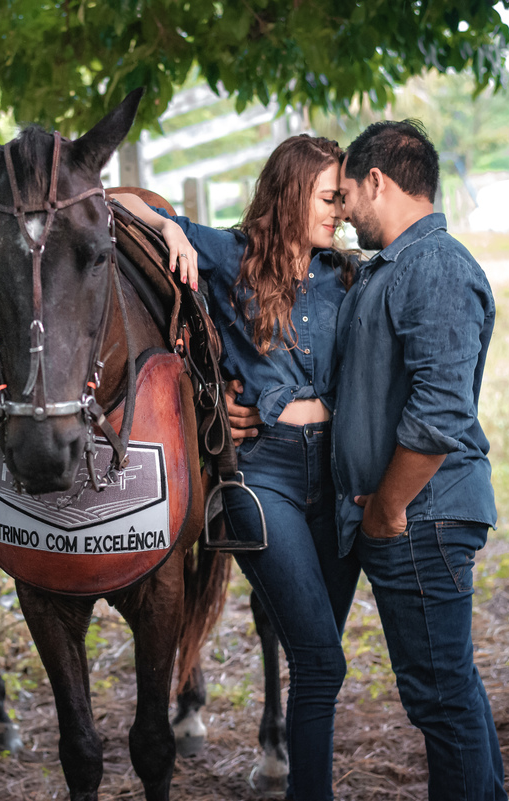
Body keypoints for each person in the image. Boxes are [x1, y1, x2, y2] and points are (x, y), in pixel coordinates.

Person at [116, 134, 362, 801]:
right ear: (290, 193)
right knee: (321, 659)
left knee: (318, 663)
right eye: (329, 196)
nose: (339, 210)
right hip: (268, 476)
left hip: (337, 482)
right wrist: (169, 223)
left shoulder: (348, 274)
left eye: (343, 198)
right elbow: (111, 203)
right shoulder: (230, 255)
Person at [333, 120, 505, 801]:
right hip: (413, 517)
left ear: (377, 181)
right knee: (449, 689)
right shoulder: (395, 266)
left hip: (422, 518)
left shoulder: (436, 267)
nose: (342, 212)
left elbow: (439, 414)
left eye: (345, 194)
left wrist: (387, 505)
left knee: (440, 698)